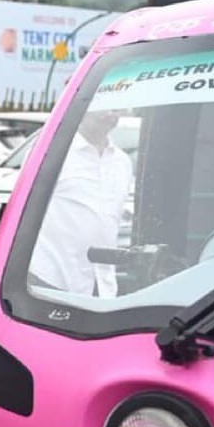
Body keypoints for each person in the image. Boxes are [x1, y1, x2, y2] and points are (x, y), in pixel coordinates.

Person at [29, 108, 133, 297]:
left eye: (115, 108)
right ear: (84, 108)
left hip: (103, 287)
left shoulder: (122, 162)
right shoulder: (53, 153)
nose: (109, 114)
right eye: (103, 106)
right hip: (53, 282)